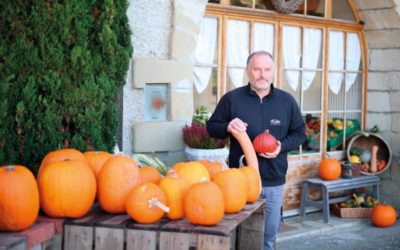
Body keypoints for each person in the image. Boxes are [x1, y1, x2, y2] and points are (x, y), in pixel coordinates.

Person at [207, 51, 306, 250]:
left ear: (273, 72)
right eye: (257, 69)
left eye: (267, 69)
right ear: (247, 71)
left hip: (273, 181)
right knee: (238, 236)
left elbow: (301, 133)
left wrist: (281, 146)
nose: (262, 74)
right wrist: (227, 126)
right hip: (238, 182)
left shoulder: (286, 101)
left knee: (268, 237)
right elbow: (211, 128)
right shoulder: (232, 99)